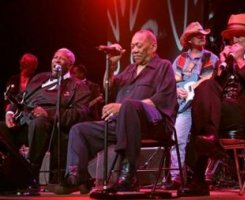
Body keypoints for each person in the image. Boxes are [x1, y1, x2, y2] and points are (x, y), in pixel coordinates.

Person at [52, 30, 177, 195]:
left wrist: (124, 106)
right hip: (120, 126)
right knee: (79, 130)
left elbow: (163, 99)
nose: (135, 50)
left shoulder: (163, 66)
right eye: (132, 46)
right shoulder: (130, 70)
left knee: (129, 106)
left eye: (139, 45)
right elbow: (108, 89)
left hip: (152, 124)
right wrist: (111, 66)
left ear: (153, 46)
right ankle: (77, 178)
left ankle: (128, 173)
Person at [184, 13, 245, 196]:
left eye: (238, 35)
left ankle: (198, 177)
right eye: (231, 37)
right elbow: (211, 92)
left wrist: (240, 61)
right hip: (221, 113)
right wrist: (221, 68)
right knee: (205, 86)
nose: (234, 40)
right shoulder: (226, 61)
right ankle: (210, 139)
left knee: (202, 118)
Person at [0, 48, 91, 195]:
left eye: (61, 59)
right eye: (55, 57)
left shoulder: (78, 86)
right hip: (24, 121)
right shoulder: (39, 78)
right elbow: (20, 98)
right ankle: (11, 174)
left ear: (70, 64)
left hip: (49, 127)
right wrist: (10, 112)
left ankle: (31, 175)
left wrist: (48, 114)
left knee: (39, 122)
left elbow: (79, 114)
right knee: (1, 129)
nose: (56, 60)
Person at [167, 21, 219, 189]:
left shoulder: (211, 58)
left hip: (203, 106)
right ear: (189, 40)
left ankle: (204, 177)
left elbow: (210, 81)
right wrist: (176, 90)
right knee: (177, 140)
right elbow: (172, 82)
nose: (202, 36)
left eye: (203, 34)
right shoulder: (180, 59)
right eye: (198, 34)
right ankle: (177, 177)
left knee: (205, 140)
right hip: (184, 106)